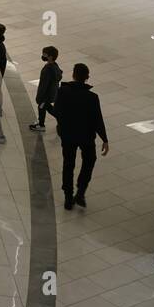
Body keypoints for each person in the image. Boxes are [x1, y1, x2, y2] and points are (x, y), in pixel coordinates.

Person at [47, 63, 108, 210]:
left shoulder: (63, 92)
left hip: (68, 135)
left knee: (68, 164)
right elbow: (97, 119)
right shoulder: (92, 97)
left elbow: (57, 113)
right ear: (87, 78)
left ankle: (68, 198)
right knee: (89, 160)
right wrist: (104, 139)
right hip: (86, 136)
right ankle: (80, 192)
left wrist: (51, 111)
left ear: (73, 75)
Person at [29, 46, 61, 133]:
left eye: (44, 54)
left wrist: (39, 97)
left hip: (46, 94)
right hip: (51, 93)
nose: (43, 55)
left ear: (50, 57)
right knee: (47, 107)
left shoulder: (48, 69)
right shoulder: (54, 66)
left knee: (41, 106)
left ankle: (41, 125)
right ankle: (60, 118)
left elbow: (44, 84)